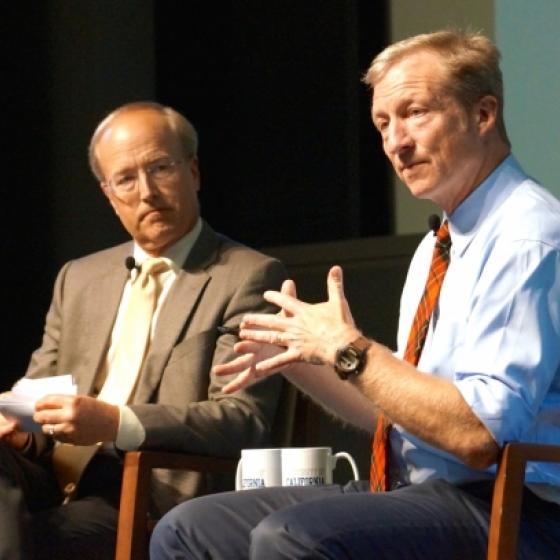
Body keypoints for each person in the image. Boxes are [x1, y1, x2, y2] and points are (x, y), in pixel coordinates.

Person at [149, 30, 560, 559]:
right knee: (189, 530)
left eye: (414, 113)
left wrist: (349, 350)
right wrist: (303, 358)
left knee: (292, 537)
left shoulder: (527, 237)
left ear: (483, 114)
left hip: (516, 511)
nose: (395, 142)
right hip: (425, 491)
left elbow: (477, 435)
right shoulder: (440, 245)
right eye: (383, 124)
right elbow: (402, 415)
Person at [0, 101, 287, 559]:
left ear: (193, 172)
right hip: (50, 479)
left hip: (147, 488)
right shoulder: (78, 277)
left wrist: (116, 423)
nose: (147, 192)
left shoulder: (247, 276)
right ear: (108, 196)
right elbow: (36, 399)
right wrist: (16, 424)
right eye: (126, 180)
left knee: (28, 539)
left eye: (160, 167)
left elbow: (241, 419)